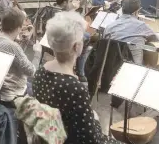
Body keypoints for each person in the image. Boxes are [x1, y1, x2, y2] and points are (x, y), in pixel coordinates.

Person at [33, 11, 110, 143]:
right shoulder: (75, 87)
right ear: (77, 46)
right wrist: (96, 120)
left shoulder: (40, 72)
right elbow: (91, 139)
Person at [0, 8, 41, 142]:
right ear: (18, 27)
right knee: (40, 91)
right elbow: (31, 71)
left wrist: (20, 41)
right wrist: (37, 53)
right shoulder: (13, 46)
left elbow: (13, 60)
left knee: (31, 87)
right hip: (12, 93)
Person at [104, 0, 157, 64]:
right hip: (134, 66)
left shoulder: (109, 27)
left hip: (112, 65)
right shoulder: (142, 25)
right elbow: (154, 38)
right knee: (152, 47)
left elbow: (104, 41)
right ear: (135, 12)